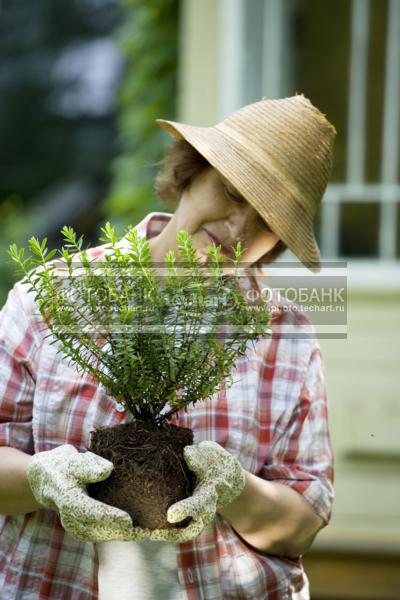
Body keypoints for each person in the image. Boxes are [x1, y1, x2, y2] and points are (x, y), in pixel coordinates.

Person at [0, 94, 335, 599]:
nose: (239, 227)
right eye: (233, 192)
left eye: (267, 222)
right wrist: (42, 479)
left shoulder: (284, 335)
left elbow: (302, 523)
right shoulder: (53, 294)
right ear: (190, 173)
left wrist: (235, 489)